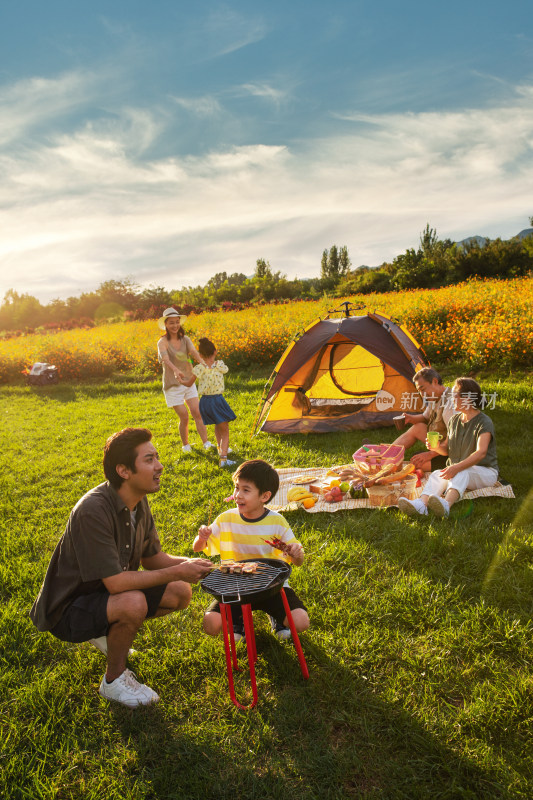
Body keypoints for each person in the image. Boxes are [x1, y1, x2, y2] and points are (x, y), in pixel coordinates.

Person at [29, 428, 213, 708]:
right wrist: (178, 570)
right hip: (68, 609)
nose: (160, 466)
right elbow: (116, 584)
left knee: (179, 591)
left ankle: (109, 631)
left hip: (103, 594)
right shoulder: (93, 510)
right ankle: (113, 681)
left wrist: (204, 566)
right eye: (149, 459)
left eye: (157, 457)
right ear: (124, 471)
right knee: (132, 602)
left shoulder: (138, 500)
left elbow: (153, 558)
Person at [192, 459, 310, 641]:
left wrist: (296, 553)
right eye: (236, 487)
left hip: (272, 587)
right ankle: (239, 620)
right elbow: (197, 548)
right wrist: (202, 537)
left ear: (264, 496)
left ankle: (277, 617)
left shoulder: (277, 521)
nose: (238, 495)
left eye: (245, 490)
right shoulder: (226, 518)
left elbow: (298, 561)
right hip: (234, 588)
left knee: (301, 622)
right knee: (211, 625)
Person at [398, 377, 499, 519]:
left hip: (485, 471)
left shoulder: (484, 422)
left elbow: (481, 452)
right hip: (460, 468)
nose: (451, 399)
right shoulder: (455, 420)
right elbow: (446, 448)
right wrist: (436, 447)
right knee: (437, 474)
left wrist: (456, 467)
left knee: (463, 472)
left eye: (454, 396)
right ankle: (421, 504)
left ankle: (446, 505)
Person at [157, 307, 212, 454]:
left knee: (197, 412)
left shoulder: (185, 339)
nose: (175, 326)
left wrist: (203, 363)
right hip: (172, 384)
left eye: (177, 322)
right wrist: (176, 370)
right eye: (171, 323)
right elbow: (165, 359)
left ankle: (206, 442)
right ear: (166, 325)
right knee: (184, 417)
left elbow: (194, 353)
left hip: (188, 382)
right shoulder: (162, 342)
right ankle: (186, 445)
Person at [393, 367, 455, 471]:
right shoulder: (434, 398)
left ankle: (444, 463)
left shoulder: (451, 404)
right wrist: (410, 418)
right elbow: (425, 417)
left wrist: (429, 454)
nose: (422, 395)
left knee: (416, 465)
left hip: (453, 451)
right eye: (419, 391)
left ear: (435, 381)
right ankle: (386, 456)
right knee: (418, 427)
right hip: (439, 445)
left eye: (423, 389)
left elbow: (455, 438)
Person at [192, 338, 237, 469]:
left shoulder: (199, 368)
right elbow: (226, 370)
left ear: (200, 355)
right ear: (215, 351)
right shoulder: (220, 364)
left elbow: (189, 382)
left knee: (218, 425)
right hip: (217, 400)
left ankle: (220, 449)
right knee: (225, 430)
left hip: (205, 401)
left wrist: (180, 378)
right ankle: (223, 460)